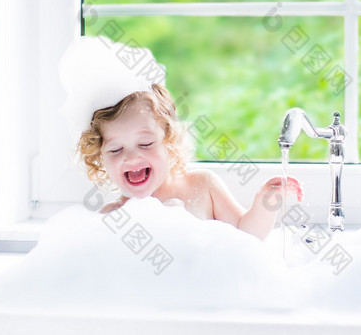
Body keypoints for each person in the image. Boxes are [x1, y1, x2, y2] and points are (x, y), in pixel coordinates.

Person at [60, 36, 302, 240]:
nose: (132, 156)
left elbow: (246, 236)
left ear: (169, 140)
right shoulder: (114, 217)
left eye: (145, 143)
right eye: (115, 150)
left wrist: (265, 202)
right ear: (98, 156)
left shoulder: (202, 186)